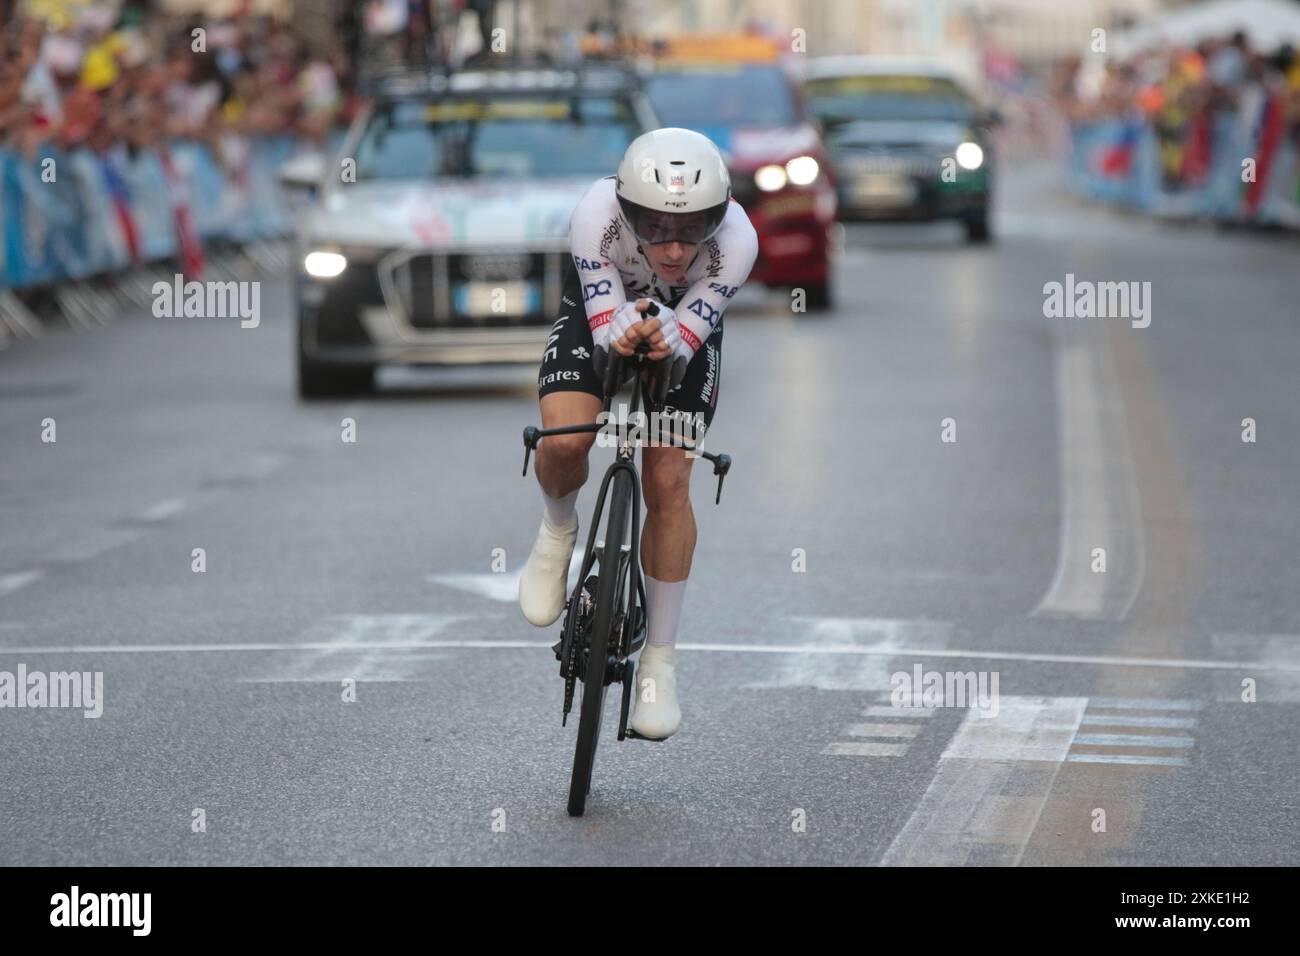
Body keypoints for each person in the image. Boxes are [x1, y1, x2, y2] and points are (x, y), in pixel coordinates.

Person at [519, 128, 758, 740]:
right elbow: (604, 329)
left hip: (684, 325)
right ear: (626, 213)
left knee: (669, 476)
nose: (674, 249)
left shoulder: (737, 242)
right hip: (603, 310)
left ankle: (660, 660)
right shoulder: (595, 217)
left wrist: (662, 331)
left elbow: (684, 337)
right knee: (567, 440)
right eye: (653, 228)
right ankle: (556, 532)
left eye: (693, 227)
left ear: (721, 215)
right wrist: (622, 327)